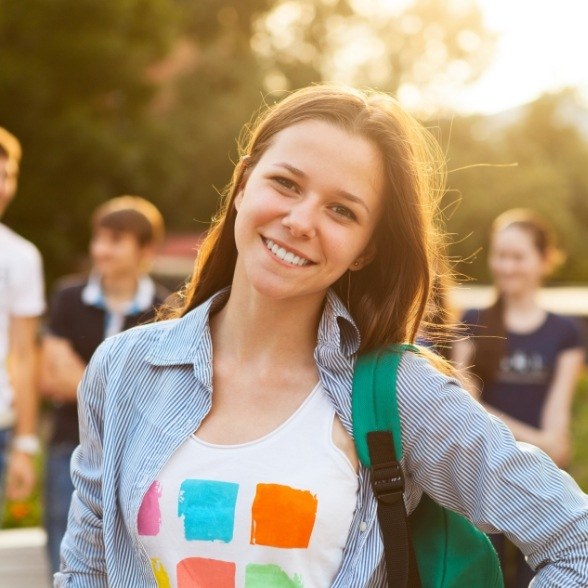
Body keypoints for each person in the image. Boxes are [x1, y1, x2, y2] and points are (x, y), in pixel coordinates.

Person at [56, 86, 588, 587]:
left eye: (342, 210)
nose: (300, 220)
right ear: (242, 185)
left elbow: (576, 541)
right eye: (286, 183)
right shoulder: (125, 368)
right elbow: (87, 571)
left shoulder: (397, 393)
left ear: (365, 249)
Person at [452, 208, 585, 588]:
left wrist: (544, 443)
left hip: (540, 485)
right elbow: (463, 406)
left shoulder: (565, 332)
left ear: (544, 261)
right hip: (481, 483)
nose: (506, 266)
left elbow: (557, 438)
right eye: (500, 255)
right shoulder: (473, 320)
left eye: (518, 257)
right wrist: (539, 441)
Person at [39, 195, 168, 574]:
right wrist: (123, 393)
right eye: (98, 238)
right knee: (65, 558)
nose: (101, 249)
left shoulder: (167, 309)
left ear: (145, 249)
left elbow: (159, 391)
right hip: (69, 445)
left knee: (127, 561)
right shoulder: (68, 297)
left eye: (115, 240)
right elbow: (53, 376)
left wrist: (85, 384)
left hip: (134, 454)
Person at [0, 127, 45, 515]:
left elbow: (24, 354)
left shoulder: (21, 256)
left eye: (7, 175)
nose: (1, 185)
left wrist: (25, 444)